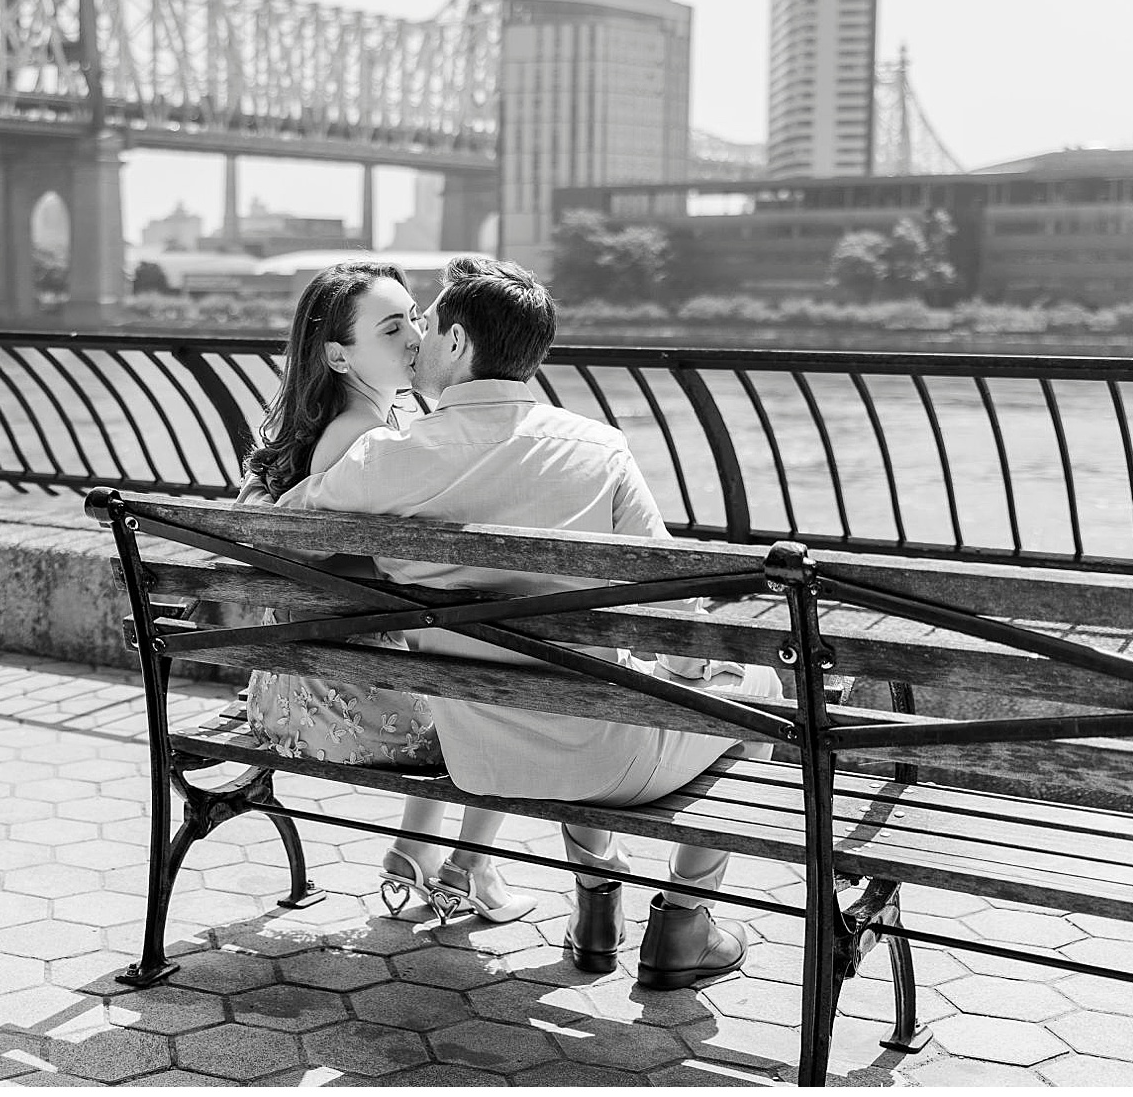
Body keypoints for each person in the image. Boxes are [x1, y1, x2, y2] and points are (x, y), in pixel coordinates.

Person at [296, 256, 785, 989]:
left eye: (431, 324)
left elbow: (284, 526)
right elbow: (678, 605)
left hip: (477, 757)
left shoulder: (384, 459)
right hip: (604, 759)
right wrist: (693, 684)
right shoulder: (597, 450)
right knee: (759, 693)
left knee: (579, 692)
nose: (421, 336)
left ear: (459, 344)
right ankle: (684, 923)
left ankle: (598, 903)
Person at [239, 260, 535, 926]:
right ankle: (470, 867)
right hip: (341, 709)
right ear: (338, 354)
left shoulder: (335, 430)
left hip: (291, 690)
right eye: (392, 325)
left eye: (418, 320)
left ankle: (416, 852)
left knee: (457, 671)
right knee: (512, 699)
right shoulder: (371, 441)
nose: (415, 337)